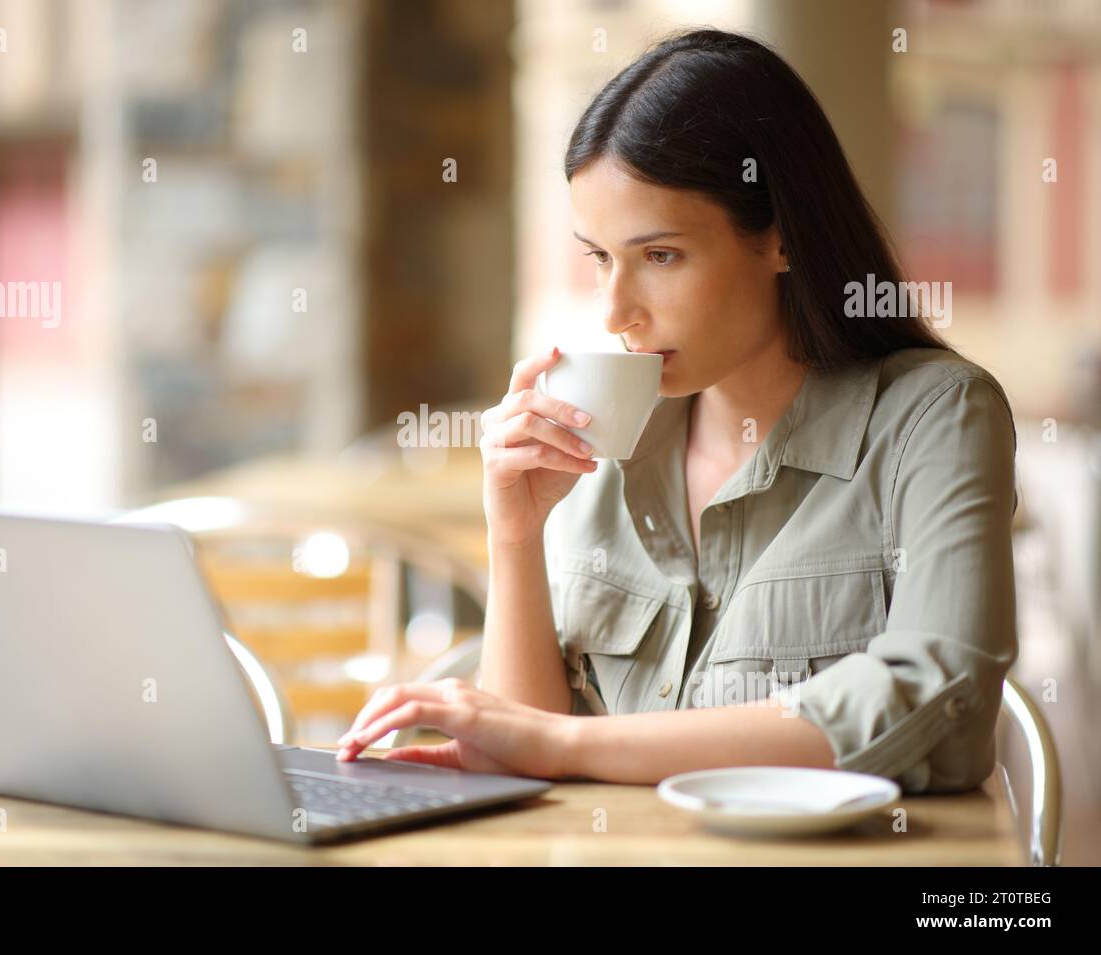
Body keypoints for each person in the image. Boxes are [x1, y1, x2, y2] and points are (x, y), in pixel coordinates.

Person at [335, 28, 1018, 794]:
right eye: (599, 258)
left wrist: (565, 743)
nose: (616, 312)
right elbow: (521, 756)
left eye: (660, 256)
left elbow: (935, 695)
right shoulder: (608, 440)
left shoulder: (933, 417)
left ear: (781, 239)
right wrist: (515, 535)